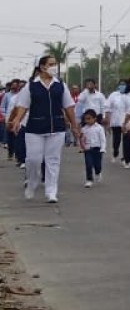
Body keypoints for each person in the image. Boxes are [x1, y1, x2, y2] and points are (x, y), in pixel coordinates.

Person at [9, 56, 80, 203]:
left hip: (57, 127)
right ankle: (32, 183)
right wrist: (17, 120)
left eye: (55, 64)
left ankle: (51, 191)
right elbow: (22, 106)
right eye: (51, 64)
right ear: (42, 67)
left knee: (53, 160)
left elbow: (68, 106)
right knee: (33, 159)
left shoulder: (60, 85)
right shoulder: (31, 86)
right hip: (35, 128)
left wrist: (74, 125)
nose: (54, 67)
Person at [80, 108, 106, 188]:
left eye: (89, 119)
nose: (87, 121)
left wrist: (103, 148)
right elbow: (81, 139)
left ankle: (98, 173)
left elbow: (103, 139)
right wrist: (81, 147)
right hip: (88, 149)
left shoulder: (99, 128)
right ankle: (89, 180)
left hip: (97, 149)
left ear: (95, 118)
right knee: (88, 164)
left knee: (97, 165)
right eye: (85, 119)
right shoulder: (84, 129)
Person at [106, 79, 128, 164]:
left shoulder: (128, 95)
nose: (122, 86)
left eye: (124, 84)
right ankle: (115, 152)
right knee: (117, 140)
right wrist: (108, 121)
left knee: (126, 140)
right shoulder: (113, 95)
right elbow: (108, 107)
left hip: (126, 121)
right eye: (121, 84)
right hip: (115, 121)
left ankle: (125, 157)